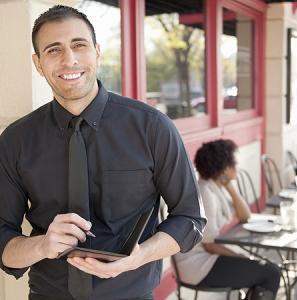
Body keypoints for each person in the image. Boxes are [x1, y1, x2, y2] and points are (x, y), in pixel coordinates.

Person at [0, 5, 206, 300]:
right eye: (53, 50)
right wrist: (43, 245)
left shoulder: (152, 128)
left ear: (97, 52)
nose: (69, 60)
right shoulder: (15, 140)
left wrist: (139, 256)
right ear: (38, 63)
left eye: (78, 45)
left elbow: (190, 218)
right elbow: (3, 245)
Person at [175, 139, 281, 300]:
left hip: (205, 260)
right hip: (198, 266)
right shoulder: (206, 193)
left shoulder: (212, 187)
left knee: (266, 271)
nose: (237, 166)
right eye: (234, 162)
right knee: (270, 274)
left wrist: (229, 185)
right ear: (224, 167)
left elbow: (245, 215)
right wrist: (242, 258)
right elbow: (210, 245)